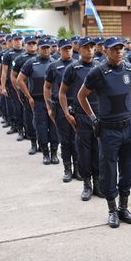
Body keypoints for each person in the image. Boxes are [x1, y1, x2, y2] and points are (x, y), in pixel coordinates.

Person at [78, 37, 131, 228]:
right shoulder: (98, 72)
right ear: (105, 51)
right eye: (115, 49)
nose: (119, 52)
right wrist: (93, 118)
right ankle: (112, 209)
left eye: (121, 48)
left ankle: (124, 207)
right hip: (108, 130)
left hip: (128, 127)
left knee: (128, 167)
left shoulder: (130, 69)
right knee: (108, 170)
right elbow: (81, 96)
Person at [60, 38, 102, 201]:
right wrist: (66, 113)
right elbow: (62, 92)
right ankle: (87, 184)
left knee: (98, 150)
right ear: (79, 49)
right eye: (86, 47)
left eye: (92, 47)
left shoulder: (100, 67)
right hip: (81, 116)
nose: (90, 50)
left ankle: (98, 183)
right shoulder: (72, 68)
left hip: (99, 114)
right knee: (83, 152)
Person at [45, 39, 79, 182]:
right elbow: (46, 87)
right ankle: (67, 169)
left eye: (70, 48)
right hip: (60, 106)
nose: (68, 51)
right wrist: (49, 107)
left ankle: (78, 169)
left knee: (77, 140)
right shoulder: (54, 66)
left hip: (77, 106)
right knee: (65, 140)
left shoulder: (78, 64)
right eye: (65, 49)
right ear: (59, 50)